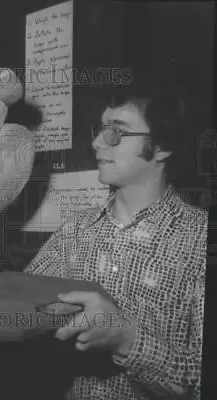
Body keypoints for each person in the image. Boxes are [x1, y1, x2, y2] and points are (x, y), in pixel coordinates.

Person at [24, 82, 207, 400]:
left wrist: (125, 339)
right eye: (100, 129)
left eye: (116, 132)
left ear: (161, 146)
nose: (97, 142)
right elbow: (25, 306)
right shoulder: (76, 230)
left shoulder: (199, 240)